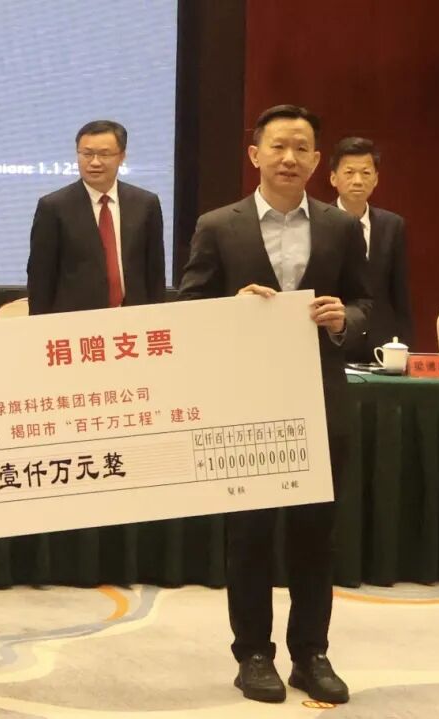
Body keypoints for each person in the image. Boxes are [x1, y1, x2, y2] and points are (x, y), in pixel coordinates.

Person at [177, 104, 371, 705]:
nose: (289, 158)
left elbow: (369, 305)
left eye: (301, 148)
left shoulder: (340, 227)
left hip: (320, 396)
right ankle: (253, 654)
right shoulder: (219, 225)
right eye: (278, 146)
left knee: (316, 534)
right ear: (255, 154)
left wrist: (345, 319)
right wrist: (231, 309)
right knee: (250, 533)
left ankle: (311, 654)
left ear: (317, 161)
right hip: (247, 401)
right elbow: (188, 307)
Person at [27, 120, 166, 314]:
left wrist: (158, 317)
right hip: (76, 320)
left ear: (122, 156)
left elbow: (155, 272)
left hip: (133, 318)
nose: (94, 162)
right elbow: (40, 277)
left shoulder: (145, 204)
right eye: (86, 154)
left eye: (104, 154)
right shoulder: (53, 207)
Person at [329, 137, 414, 360]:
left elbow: (400, 293)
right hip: (335, 341)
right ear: (333, 178)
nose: (358, 181)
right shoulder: (319, 223)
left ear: (376, 179)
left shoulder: (392, 225)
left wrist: (406, 347)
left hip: (382, 345)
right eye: (349, 173)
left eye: (366, 173)